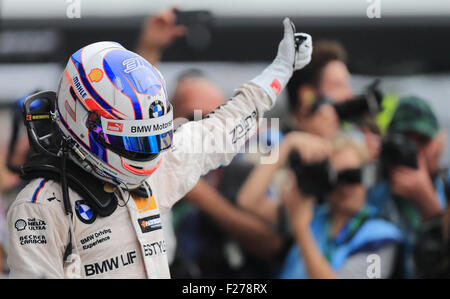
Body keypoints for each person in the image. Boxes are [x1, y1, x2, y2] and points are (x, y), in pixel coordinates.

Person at [6, 18, 313, 278]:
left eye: (154, 138)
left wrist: (282, 69)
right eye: (134, 140)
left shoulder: (160, 168)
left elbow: (225, 127)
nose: (148, 151)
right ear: (85, 121)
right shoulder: (38, 208)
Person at [279, 135, 402, 278]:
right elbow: (247, 204)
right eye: (335, 178)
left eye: (352, 176)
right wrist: (288, 144)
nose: (344, 188)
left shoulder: (381, 237)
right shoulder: (310, 215)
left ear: (366, 177)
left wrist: (301, 230)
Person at [368, 96, 447, 278]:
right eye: (404, 141)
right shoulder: (370, 195)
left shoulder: (446, 192)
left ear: (439, 144)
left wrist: (431, 210)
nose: (414, 151)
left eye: (423, 141)